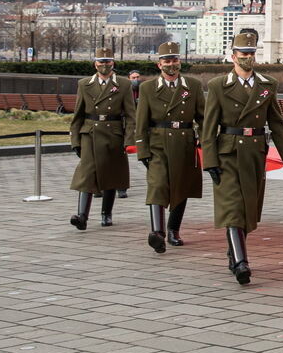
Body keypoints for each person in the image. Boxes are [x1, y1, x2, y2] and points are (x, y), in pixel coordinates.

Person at [200, 31, 283, 284]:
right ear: (233, 56)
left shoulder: (267, 85)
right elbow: (208, 128)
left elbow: (277, 122)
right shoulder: (219, 86)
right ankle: (242, 262)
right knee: (233, 207)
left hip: (254, 152)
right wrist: (209, 161)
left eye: (252, 54)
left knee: (248, 209)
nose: (248, 58)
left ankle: (234, 251)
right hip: (229, 152)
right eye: (243, 54)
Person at [133, 42, 203, 252]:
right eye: (167, 61)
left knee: (181, 187)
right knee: (157, 185)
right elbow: (141, 122)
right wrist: (142, 150)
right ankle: (157, 232)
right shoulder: (148, 88)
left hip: (184, 142)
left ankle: (173, 230)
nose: (171, 64)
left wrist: (203, 137)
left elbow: (203, 116)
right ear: (159, 64)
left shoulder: (193, 86)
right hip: (158, 143)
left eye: (174, 60)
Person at [69, 47, 135, 230]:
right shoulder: (84, 84)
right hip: (90, 132)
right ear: (95, 63)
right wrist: (75, 140)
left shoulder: (123, 84)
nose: (104, 65)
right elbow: (78, 115)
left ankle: (106, 213)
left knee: (110, 175)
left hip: (113, 132)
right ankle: (82, 215)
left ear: (113, 63)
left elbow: (131, 115)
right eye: (101, 62)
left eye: (107, 62)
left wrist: (130, 140)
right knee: (87, 172)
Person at [121, 70, 143, 198]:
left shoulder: (144, 89)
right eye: (133, 77)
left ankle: (121, 187)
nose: (136, 79)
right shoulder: (124, 89)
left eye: (138, 77)